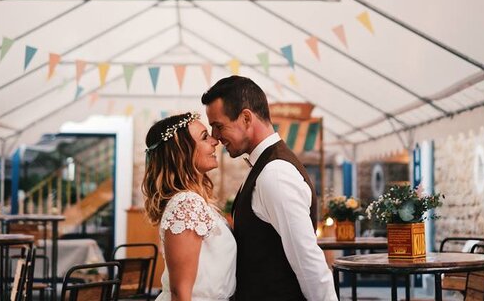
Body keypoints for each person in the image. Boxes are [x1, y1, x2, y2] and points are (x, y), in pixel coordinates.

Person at [202, 76, 338, 301]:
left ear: (246, 118)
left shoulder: (275, 173)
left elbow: (308, 261)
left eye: (218, 126)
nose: (215, 137)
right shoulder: (264, 167)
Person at [142, 112, 236, 301]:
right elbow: (180, 292)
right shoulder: (186, 204)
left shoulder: (194, 200)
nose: (214, 141)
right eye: (204, 137)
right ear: (182, 153)